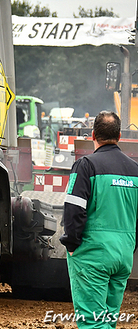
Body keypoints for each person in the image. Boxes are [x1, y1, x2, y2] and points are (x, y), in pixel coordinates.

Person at [59, 111, 138, 328]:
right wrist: (130, 246)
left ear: (93, 135)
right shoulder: (135, 171)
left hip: (93, 255)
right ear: (119, 135)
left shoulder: (86, 165)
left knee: (92, 322)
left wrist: (72, 244)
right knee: (107, 322)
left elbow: (74, 210)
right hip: (123, 256)